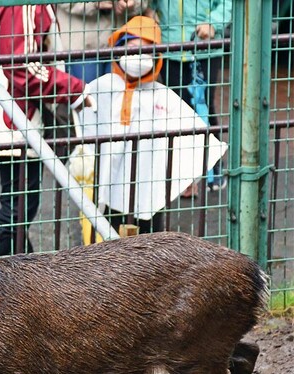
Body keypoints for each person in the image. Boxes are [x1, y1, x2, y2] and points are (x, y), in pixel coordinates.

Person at [77, 15, 227, 235]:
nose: (139, 57)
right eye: (133, 48)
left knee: (148, 235)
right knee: (106, 232)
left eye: (147, 51)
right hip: (108, 179)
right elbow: (81, 122)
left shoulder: (161, 95)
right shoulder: (102, 86)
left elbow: (191, 131)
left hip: (146, 181)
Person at [0, 4, 90, 257]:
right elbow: (21, 65)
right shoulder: (25, 6)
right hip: (20, 122)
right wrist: (74, 89)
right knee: (15, 211)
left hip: (22, 119)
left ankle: (16, 273)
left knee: (18, 211)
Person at [150, 0, 231, 194]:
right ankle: (183, 176)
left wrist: (213, 23)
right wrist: (149, 11)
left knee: (204, 108)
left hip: (205, 48)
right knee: (175, 112)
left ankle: (213, 167)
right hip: (171, 48)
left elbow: (229, 3)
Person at [55, 1, 152, 83]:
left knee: (119, 95)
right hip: (82, 45)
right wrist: (95, 3)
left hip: (119, 43)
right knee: (88, 95)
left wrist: (133, 3)